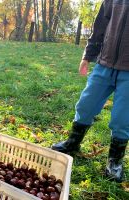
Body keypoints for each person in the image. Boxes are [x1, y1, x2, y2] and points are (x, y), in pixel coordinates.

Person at [51, 0, 128, 183]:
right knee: (86, 104)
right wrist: (88, 55)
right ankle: (73, 143)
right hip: (104, 64)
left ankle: (115, 160)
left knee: (122, 118)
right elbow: (100, 26)